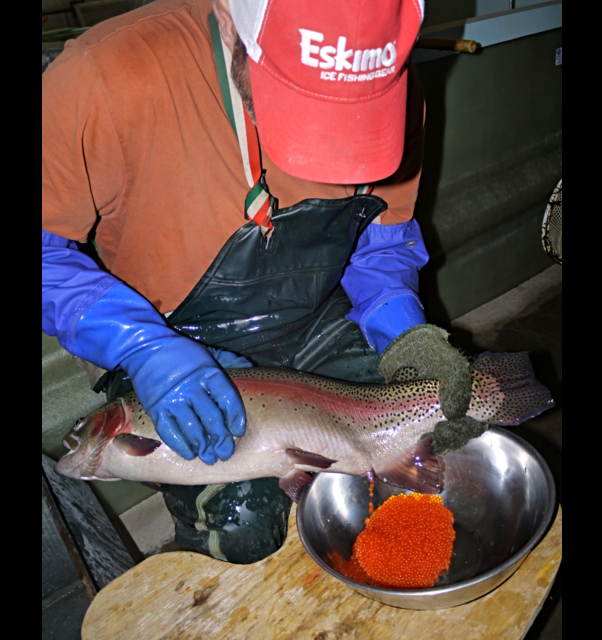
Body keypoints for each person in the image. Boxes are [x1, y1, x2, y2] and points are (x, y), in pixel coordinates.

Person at [42, 0, 475, 564]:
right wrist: (141, 346)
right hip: (168, 332)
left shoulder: (387, 82)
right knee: (241, 529)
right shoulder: (102, 77)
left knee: (421, 442)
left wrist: (402, 332)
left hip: (316, 312)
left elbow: (380, 237)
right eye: (300, 97)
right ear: (229, 16)